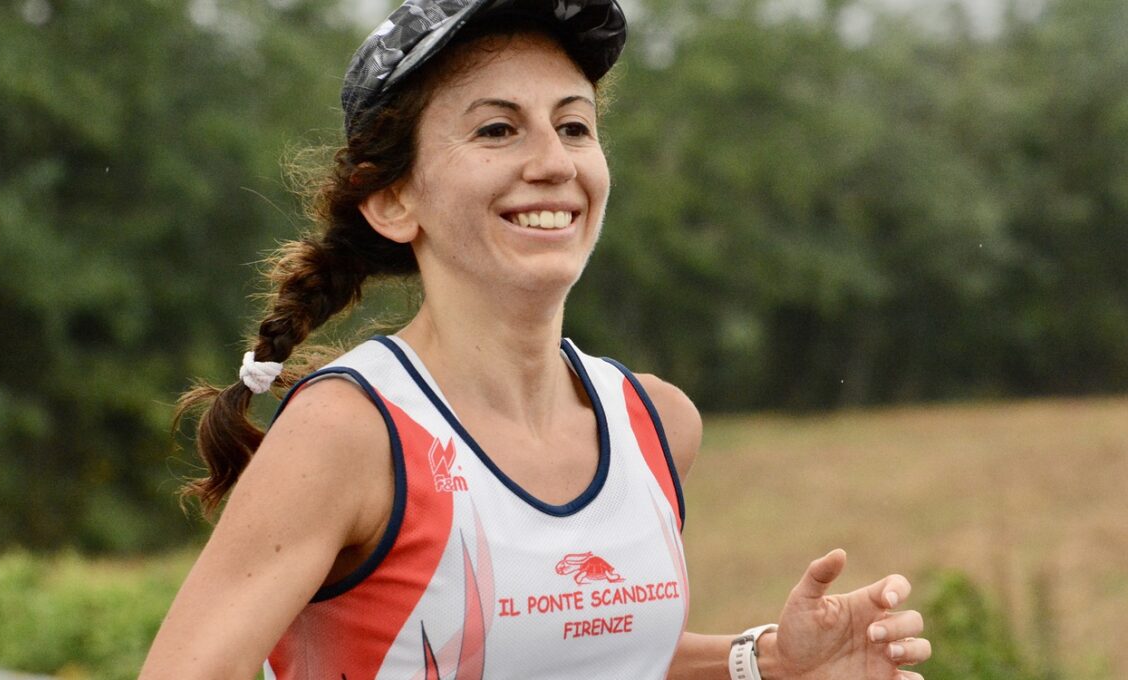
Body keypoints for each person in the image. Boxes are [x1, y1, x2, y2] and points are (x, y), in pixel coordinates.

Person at [141, 1, 931, 678]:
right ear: (392, 201)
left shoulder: (656, 423)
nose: (553, 162)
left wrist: (764, 661)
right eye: (497, 129)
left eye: (574, 126)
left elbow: (577, 654)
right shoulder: (349, 435)